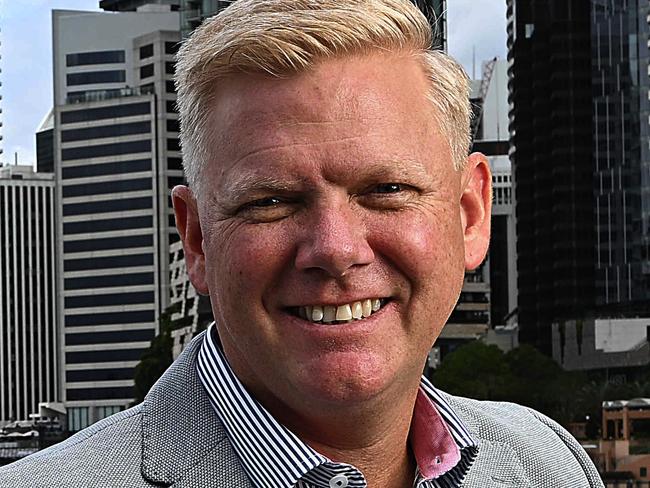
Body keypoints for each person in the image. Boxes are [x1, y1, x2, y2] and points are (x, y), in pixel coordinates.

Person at [0, 0, 603, 486]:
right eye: (270, 202)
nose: (336, 249)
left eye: (386, 189)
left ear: (470, 214)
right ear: (198, 239)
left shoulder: (547, 462)